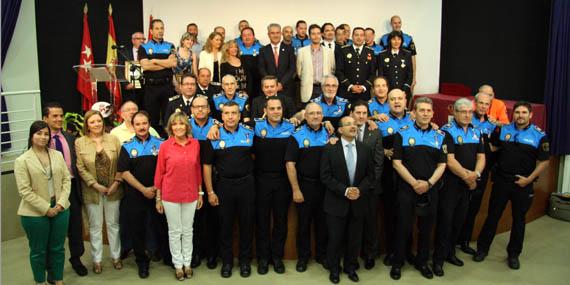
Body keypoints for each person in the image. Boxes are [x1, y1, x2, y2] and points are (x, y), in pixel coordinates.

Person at [474, 101, 549, 270]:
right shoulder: (503, 130)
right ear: (513, 114)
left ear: (530, 115)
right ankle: (482, 249)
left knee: (519, 220)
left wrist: (529, 179)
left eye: (524, 113)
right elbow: (492, 147)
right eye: (517, 112)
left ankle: (514, 254)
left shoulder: (539, 135)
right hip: (501, 181)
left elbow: (544, 162)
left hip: (523, 183)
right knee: (492, 216)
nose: (520, 116)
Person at [390, 97, 447, 280]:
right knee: (403, 226)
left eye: (428, 111)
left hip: (431, 189)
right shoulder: (402, 133)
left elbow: (442, 165)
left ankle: (422, 262)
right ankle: (397, 262)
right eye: (421, 110)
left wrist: (428, 183)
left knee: (426, 228)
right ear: (413, 113)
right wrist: (414, 183)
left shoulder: (440, 136)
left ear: (432, 113)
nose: (425, 114)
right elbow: (397, 163)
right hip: (407, 188)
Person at [432, 98, 486, 277]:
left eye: (470, 112)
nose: (467, 115)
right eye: (463, 111)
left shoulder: (477, 131)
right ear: (454, 113)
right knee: (445, 222)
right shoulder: (446, 131)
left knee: (459, 221)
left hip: (468, 184)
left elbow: (481, 157)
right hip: (451, 185)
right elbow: (450, 160)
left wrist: (476, 175)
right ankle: (438, 260)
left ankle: (450, 253)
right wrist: (467, 177)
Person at [202, 102, 256, 278]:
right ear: (222, 116)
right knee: (225, 226)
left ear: (240, 116)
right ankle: (226, 262)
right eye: (227, 113)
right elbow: (207, 166)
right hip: (223, 186)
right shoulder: (214, 136)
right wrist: (210, 192)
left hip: (246, 186)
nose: (231, 116)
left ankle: (244, 262)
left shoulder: (250, 134)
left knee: (246, 225)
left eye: (234, 113)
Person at [15, 120, 71, 285]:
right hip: (34, 214)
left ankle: (57, 279)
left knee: (58, 248)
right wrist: (46, 208)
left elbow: (66, 181)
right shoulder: (22, 160)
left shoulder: (57, 155)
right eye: (39, 133)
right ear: (32, 136)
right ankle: (40, 281)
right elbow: (24, 191)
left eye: (46, 134)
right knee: (38, 251)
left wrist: (60, 204)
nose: (43, 137)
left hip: (60, 209)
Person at [117, 111, 171, 279]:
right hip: (135, 194)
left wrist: (155, 188)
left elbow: (166, 168)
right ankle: (142, 262)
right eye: (138, 124)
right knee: (137, 229)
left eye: (144, 123)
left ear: (149, 125)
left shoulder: (161, 144)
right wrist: (143, 189)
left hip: (158, 193)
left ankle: (165, 256)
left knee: (161, 225)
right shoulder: (126, 146)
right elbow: (124, 172)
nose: (141, 127)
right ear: (133, 126)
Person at [321, 116, 374, 284]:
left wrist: (359, 190)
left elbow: (370, 175)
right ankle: (334, 269)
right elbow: (325, 176)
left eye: (354, 124)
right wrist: (345, 191)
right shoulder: (330, 149)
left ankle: (351, 267)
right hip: (336, 203)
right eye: (348, 124)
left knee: (354, 239)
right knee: (335, 239)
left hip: (358, 202)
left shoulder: (365, 148)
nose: (353, 126)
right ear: (340, 130)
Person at [154, 112, 204, 280]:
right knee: (175, 231)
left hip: (191, 194)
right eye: (175, 124)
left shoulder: (195, 144)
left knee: (188, 230)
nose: (178, 127)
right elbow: (160, 172)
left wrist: (200, 193)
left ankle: (188, 263)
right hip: (169, 195)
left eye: (181, 124)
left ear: (187, 126)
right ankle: (178, 265)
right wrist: (158, 198)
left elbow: (197, 170)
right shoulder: (165, 146)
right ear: (170, 128)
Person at [42, 103, 87, 277]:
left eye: (61, 115)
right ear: (45, 118)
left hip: (72, 189)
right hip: (50, 191)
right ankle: (51, 266)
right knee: (53, 231)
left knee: (75, 228)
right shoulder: (41, 138)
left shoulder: (69, 137)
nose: (59, 119)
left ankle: (76, 259)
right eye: (54, 116)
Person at [75, 110, 124, 274]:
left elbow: (121, 164)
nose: (97, 124)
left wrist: (116, 183)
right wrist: (95, 185)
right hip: (92, 191)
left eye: (99, 121)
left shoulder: (113, 139)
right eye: (92, 122)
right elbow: (80, 168)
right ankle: (97, 260)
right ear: (87, 125)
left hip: (113, 190)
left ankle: (116, 256)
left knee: (113, 225)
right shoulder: (80, 142)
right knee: (95, 227)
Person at [252, 97, 296, 274]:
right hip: (261, 180)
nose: (276, 111)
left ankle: (277, 257)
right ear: (265, 110)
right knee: (262, 221)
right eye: (272, 108)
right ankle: (263, 258)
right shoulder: (256, 128)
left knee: (280, 221)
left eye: (279, 108)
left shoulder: (291, 127)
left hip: (283, 181)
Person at [285, 103, 330, 272]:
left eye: (319, 113)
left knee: (323, 223)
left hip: (325, 187)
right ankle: (303, 258)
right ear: (305, 116)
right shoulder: (296, 135)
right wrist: (296, 189)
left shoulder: (329, 132)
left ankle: (322, 255)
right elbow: (290, 164)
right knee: (303, 224)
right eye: (312, 113)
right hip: (305, 186)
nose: (316, 116)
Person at [375, 89, 414, 266]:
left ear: (406, 100)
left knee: (408, 215)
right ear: (388, 102)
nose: (397, 102)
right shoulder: (380, 121)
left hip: (411, 175)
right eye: (393, 99)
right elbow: (372, 147)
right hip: (389, 176)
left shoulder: (415, 119)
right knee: (391, 214)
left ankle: (408, 250)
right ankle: (392, 251)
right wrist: (384, 151)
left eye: (400, 98)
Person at [457, 92, 497, 254]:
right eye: (480, 103)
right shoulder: (464, 117)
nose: (482, 106)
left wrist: (478, 172)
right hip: (459, 173)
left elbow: (499, 146)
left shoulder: (493, 125)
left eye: (486, 104)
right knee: (456, 209)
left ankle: (465, 241)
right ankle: (452, 242)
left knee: (472, 209)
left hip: (480, 172)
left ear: (489, 106)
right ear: (474, 103)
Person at [348, 101, 384, 270]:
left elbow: (378, 162)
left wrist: (367, 185)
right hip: (349, 187)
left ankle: (370, 254)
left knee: (370, 223)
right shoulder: (345, 129)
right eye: (358, 112)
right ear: (352, 113)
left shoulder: (375, 132)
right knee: (352, 223)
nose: (361, 116)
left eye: (364, 113)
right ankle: (351, 255)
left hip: (370, 187)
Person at [188, 96, 220, 269]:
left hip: (212, 177)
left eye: (203, 107)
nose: (200, 110)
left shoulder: (218, 124)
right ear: (191, 109)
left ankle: (212, 254)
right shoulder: (184, 125)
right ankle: (196, 252)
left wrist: (217, 125)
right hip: (190, 177)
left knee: (213, 218)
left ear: (209, 109)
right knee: (194, 219)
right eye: (196, 107)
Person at [139, 19, 177, 137]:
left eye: (162, 28)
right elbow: (145, 66)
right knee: (152, 118)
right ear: (151, 30)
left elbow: (173, 64)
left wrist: (154, 61)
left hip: (167, 86)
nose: (160, 31)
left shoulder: (170, 46)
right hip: (151, 87)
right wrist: (165, 63)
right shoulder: (144, 47)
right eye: (157, 28)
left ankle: (169, 142)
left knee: (169, 118)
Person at [335, 27, 376, 103]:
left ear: (364, 37)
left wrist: (364, 87)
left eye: (361, 35)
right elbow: (338, 71)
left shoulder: (370, 52)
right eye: (356, 35)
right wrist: (350, 86)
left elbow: (373, 73)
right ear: (352, 37)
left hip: (364, 93)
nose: (359, 37)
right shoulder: (343, 50)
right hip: (346, 92)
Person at [297, 24, 336, 103]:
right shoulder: (302, 51)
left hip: (324, 88)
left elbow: (333, 69)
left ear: (322, 34)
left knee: (323, 112)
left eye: (318, 33)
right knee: (308, 113)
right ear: (309, 36)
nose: (316, 36)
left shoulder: (329, 52)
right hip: (308, 88)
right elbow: (299, 72)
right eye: (313, 34)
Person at [258, 23, 297, 100]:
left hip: (286, 89)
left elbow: (292, 69)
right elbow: (261, 68)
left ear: (281, 34)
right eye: (272, 33)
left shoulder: (290, 49)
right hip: (269, 89)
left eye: (277, 33)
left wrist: (281, 84)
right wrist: (272, 84)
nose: (275, 35)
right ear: (268, 34)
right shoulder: (263, 50)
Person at [379, 15, 417, 92]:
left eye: (399, 23)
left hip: (404, 78)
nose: (397, 25)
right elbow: (381, 60)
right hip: (389, 79)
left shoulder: (408, 38)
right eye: (395, 23)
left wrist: (413, 78)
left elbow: (412, 59)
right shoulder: (384, 38)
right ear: (391, 24)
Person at [377, 31, 413, 102]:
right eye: (394, 39)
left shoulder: (407, 54)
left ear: (401, 41)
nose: (396, 42)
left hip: (403, 90)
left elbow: (410, 73)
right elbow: (381, 74)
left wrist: (405, 88)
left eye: (399, 39)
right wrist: (385, 89)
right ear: (389, 41)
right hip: (388, 90)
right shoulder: (382, 55)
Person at [237, 27, 263, 99]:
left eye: (249, 35)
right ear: (241, 37)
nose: (247, 37)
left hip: (257, 82)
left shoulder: (261, 48)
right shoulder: (237, 49)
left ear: (253, 36)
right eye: (244, 35)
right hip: (242, 81)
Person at [121, 32, 146, 107]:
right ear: (133, 41)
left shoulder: (148, 53)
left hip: (145, 89)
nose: (142, 41)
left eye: (143, 39)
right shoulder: (125, 53)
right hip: (130, 90)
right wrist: (126, 84)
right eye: (139, 39)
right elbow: (119, 70)